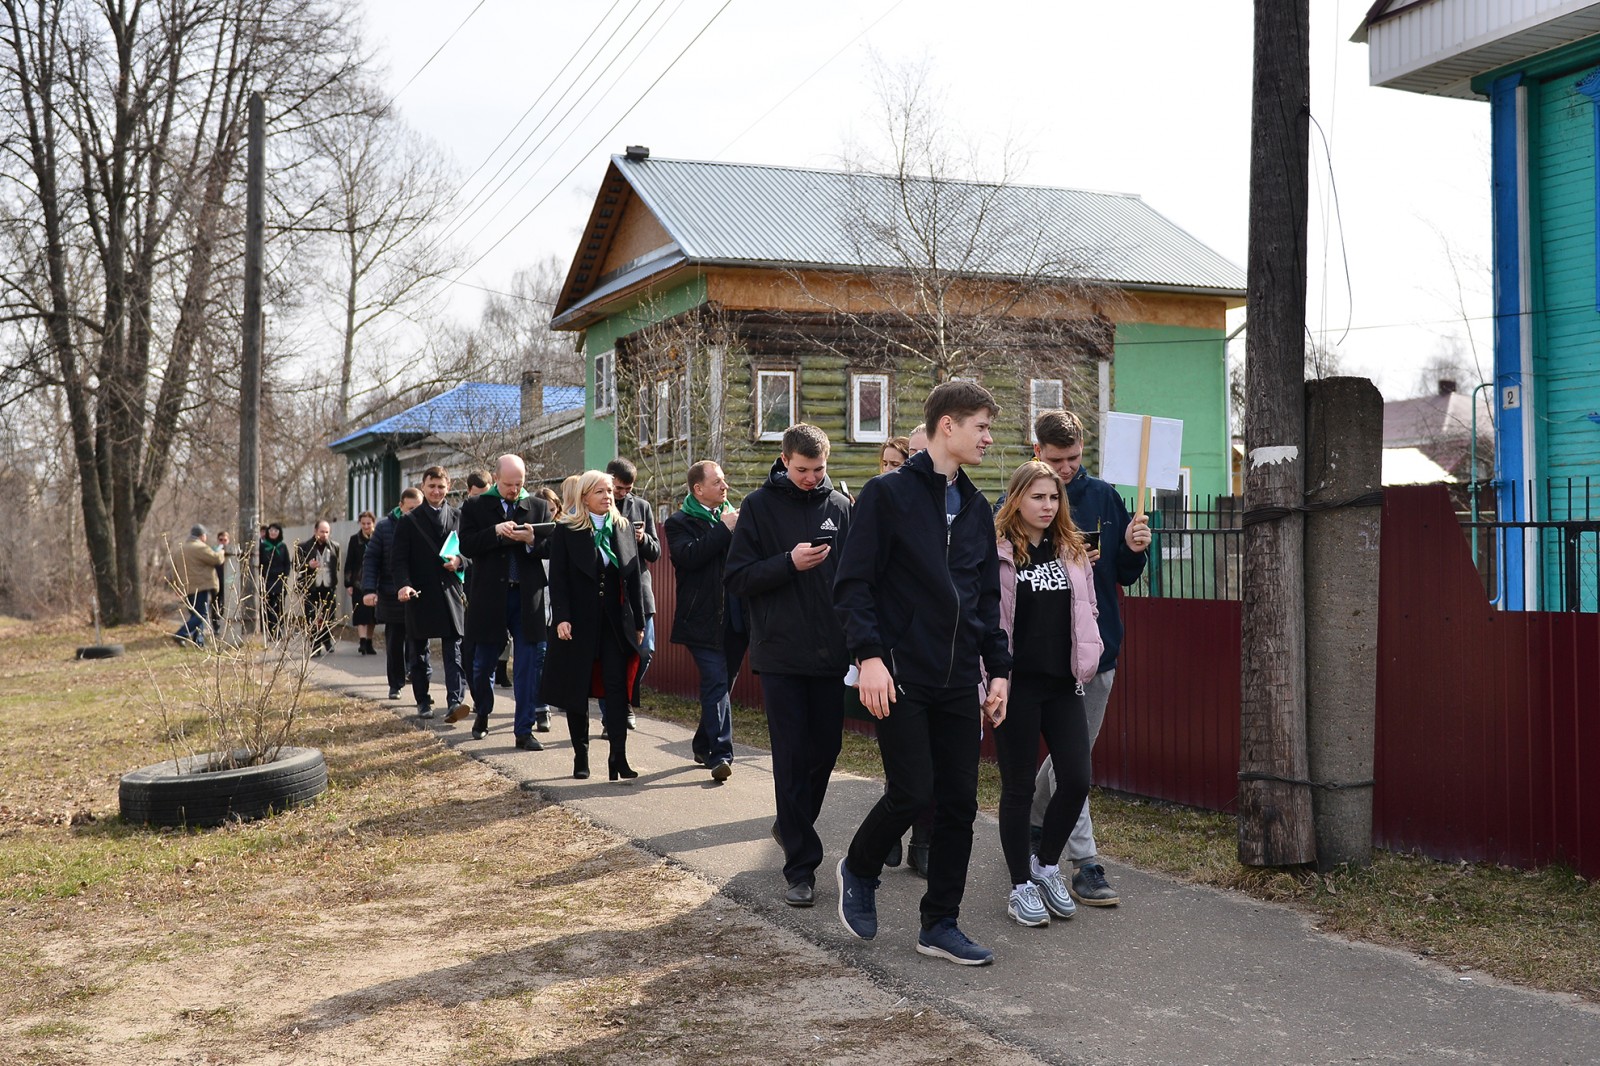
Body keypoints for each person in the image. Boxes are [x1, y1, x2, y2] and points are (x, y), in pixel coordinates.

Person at [832, 380, 1011, 967]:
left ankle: (940, 924)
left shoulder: (981, 509)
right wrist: (871, 658)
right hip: (900, 672)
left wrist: (1000, 671)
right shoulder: (887, 495)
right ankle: (859, 867)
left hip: (960, 677)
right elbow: (853, 584)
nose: (989, 437)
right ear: (947, 427)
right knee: (913, 791)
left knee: (959, 803)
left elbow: (986, 602)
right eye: (981, 426)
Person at [1027, 409, 1152, 907]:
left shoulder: (1103, 497)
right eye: (1055, 460)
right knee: (1075, 762)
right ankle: (1084, 863)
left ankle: (1038, 825)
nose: (1064, 470)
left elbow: (1125, 574)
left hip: (1098, 649)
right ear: (1037, 451)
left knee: (1069, 757)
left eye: (1073, 459)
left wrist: (1135, 548)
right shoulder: (1022, 497)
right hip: (1045, 655)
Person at [725, 425, 852, 907]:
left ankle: (790, 823)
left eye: (818, 470)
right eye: (802, 470)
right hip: (779, 653)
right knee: (791, 754)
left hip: (831, 652)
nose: (810, 478)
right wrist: (787, 563)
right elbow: (736, 578)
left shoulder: (840, 507)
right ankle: (801, 866)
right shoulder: (758, 507)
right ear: (784, 460)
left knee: (826, 749)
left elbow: (856, 578)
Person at [988, 460, 1104, 927]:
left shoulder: (1071, 550)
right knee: (1017, 788)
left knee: (1076, 779)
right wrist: (989, 681)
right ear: (1017, 498)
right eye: (1037, 496)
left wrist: (1090, 649)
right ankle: (1019, 886)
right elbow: (987, 620)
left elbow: (1088, 606)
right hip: (1016, 687)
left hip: (1063, 684)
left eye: (1053, 497)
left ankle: (1047, 866)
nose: (1047, 505)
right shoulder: (997, 552)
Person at [541, 470, 647, 781]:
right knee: (578, 689)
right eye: (600, 491)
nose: (607, 496)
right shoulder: (567, 530)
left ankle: (619, 757)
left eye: (610, 491)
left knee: (616, 690)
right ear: (585, 496)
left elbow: (634, 579)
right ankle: (581, 755)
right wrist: (561, 617)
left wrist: (638, 622)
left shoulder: (623, 527)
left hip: (615, 625)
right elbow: (557, 578)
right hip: (578, 625)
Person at [459, 454, 551, 751]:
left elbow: (551, 546)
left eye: (519, 483)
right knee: (481, 663)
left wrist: (532, 540)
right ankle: (483, 710)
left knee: (527, 664)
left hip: (527, 596)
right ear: (496, 479)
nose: (514, 490)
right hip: (489, 596)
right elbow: (467, 545)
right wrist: (495, 533)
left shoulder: (536, 505)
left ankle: (523, 730)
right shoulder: (475, 506)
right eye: (509, 484)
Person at [662, 460, 747, 781]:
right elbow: (689, 557)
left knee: (723, 686)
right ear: (698, 489)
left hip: (737, 618)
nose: (725, 487)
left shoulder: (737, 518)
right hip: (701, 620)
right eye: (718, 482)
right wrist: (723, 528)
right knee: (715, 682)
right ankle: (720, 754)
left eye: (725, 481)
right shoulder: (679, 522)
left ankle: (701, 743)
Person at [393, 467, 472, 729]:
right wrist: (404, 585)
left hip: (451, 591)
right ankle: (423, 700)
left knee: (454, 649)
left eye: (441, 486)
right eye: (431, 486)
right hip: (419, 593)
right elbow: (399, 560)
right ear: (423, 487)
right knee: (419, 652)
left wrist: (460, 561)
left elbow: (473, 552)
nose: (436, 491)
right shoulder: (409, 521)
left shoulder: (459, 516)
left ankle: (454, 700)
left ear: (448, 486)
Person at [607, 457, 661, 725]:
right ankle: (614, 713)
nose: (622, 494)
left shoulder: (641, 507)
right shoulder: (597, 504)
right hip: (608, 590)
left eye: (628, 489)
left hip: (639, 591)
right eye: (618, 488)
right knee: (611, 654)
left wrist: (642, 539)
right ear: (608, 479)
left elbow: (656, 551)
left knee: (645, 650)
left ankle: (623, 697)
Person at [363, 488, 423, 700]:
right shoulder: (385, 528)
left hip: (418, 592)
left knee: (418, 643)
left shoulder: (425, 525)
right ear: (401, 506)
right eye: (411, 509)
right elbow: (371, 559)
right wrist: (369, 589)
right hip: (391, 594)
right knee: (395, 641)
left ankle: (419, 685)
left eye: (419, 508)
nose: (415, 513)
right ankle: (395, 683)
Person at [173, 524, 225, 648]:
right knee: (202, 615)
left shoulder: (180, 550)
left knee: (195, 614)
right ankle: (181, 633)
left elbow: (175, 570)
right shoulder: (200, 548)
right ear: (202, 536)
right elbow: (216, 559)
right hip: (201, 586)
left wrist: (177, 587)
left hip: (186, 587)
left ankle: (199, 642)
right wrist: (221, 551)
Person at [296, 520, 340, 656]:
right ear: (315, 531)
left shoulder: (335, 546)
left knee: (329, 616)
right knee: (311, 617)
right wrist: (308, 565)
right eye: (322, 531)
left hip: (328, 585)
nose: (324, 535)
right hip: (311, 587)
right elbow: (296, 566)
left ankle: (327, 639)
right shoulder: (303, 547)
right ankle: (315, 645)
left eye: (327, 532)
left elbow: (336, 565)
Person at [345, 512, 377, 654]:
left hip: (376, 581)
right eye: (363, 523)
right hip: (358, 582)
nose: (366, 526)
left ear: (373, 523)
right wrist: (348, 584)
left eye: (368, 523)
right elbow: (349, 562)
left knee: (372, 615)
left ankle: (369, 642)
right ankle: (362, 642)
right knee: (360, 613)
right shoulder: (354, 540)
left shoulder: (377, 538)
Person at [257, 523, 291, 639]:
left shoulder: (283, 547)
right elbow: (259, 563)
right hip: (266, 581)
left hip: (280, 581)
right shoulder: (262, 546)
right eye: (271, 530)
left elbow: (287, 564)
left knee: (279, 607)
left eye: (276, 530)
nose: (273, 532)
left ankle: (278, 631)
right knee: (268, 607)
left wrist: (285, 576)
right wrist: (262, 577)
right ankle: (269, 631)